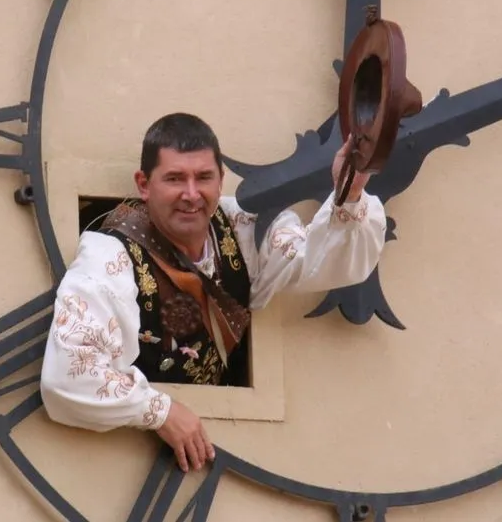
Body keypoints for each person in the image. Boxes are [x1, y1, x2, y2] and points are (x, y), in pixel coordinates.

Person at [39, 113, 387, 472]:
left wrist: (350, 192)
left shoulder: (244, 226)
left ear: (221, 180)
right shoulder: (109, 256)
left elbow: (323, 262)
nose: (191, 195)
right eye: (174, 179)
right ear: (144, 184)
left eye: (203, 177)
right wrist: (160, 411)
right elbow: (67, 374)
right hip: (120, 464)